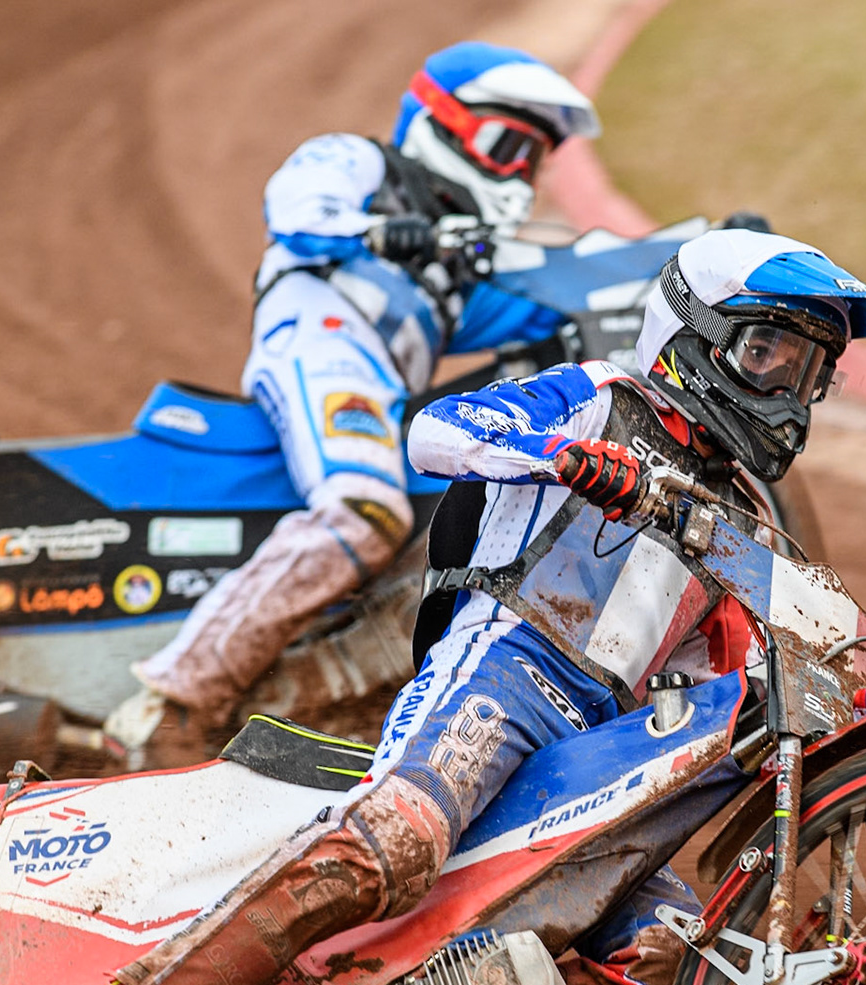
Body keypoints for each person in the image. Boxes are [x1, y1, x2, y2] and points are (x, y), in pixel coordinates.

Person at [38, 228, 866, 985]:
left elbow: (737, 668)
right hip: (506, 672)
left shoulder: (741, 518)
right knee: (396, 840)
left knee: (672, 962)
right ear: (692, 338)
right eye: (767, 352)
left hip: (602, 747)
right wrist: (563, 455)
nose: (788, 395)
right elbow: (437, 430)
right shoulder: (603, 398)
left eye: (807, 371)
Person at [106, 42, 601, 760]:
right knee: (363, 509)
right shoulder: (361, 162)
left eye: (534, 160)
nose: (520, 176)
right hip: (321, 338)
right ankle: (172, 697)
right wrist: (373, 228)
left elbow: (555, 305)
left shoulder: (451, 271)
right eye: (509, 148)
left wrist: (693, 259)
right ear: (446, 124)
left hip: (376, 387)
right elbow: (296, 207)